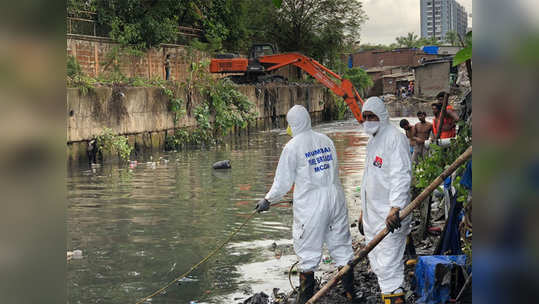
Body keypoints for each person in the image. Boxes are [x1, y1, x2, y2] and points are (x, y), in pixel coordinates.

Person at [255, 105, 359, 303]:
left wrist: (268, 200)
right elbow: (332, 169)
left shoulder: (292, 146)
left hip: (312, 205)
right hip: (335, 197)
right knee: (342, 247)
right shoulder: (326, 140)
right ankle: (349, 293)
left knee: (308, 252)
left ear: (293, 123)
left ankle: (305, 299)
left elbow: (283, 182)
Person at [359, 97, 412, 303]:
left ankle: (395, 299)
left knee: (390, 265)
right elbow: (368, 179)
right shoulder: (373, 142)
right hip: (373, 215)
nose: (368, 120)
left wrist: (395, 207)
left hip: (391, 215)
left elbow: (401, 175)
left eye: (371, 116)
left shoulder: (394, 138)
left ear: (381, 116)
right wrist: (363, 212)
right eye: (365, 117)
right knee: (380, 265)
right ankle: (389, 297)